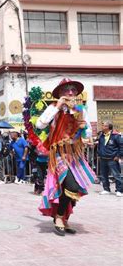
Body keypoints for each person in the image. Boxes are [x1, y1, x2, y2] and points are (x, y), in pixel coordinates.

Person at [36, 78, 96, 236]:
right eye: (66, 90)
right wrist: (57, 106)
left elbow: (88, 133)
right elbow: (40, 124)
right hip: (59, 154)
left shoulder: (81, 110)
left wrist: (84, 129)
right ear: (60, 94)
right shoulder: (53, 108)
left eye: (73, 90)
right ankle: (59, 216)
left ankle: (64, 217)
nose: (70, 93)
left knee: (75, 189)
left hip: (75, 154)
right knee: (71, 186)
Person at [97, 121, 123, 196]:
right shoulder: (101, 135)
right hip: (103, 158)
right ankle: (106, 189)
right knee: (103, 175)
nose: (102, 127)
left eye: (103, 125)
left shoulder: (116, 136)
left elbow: (121, 146)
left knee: (116, 175)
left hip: (112, 159)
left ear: (108, 127)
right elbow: (99, 146)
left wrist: (118, 156)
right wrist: (99, 154)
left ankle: (119, 190)